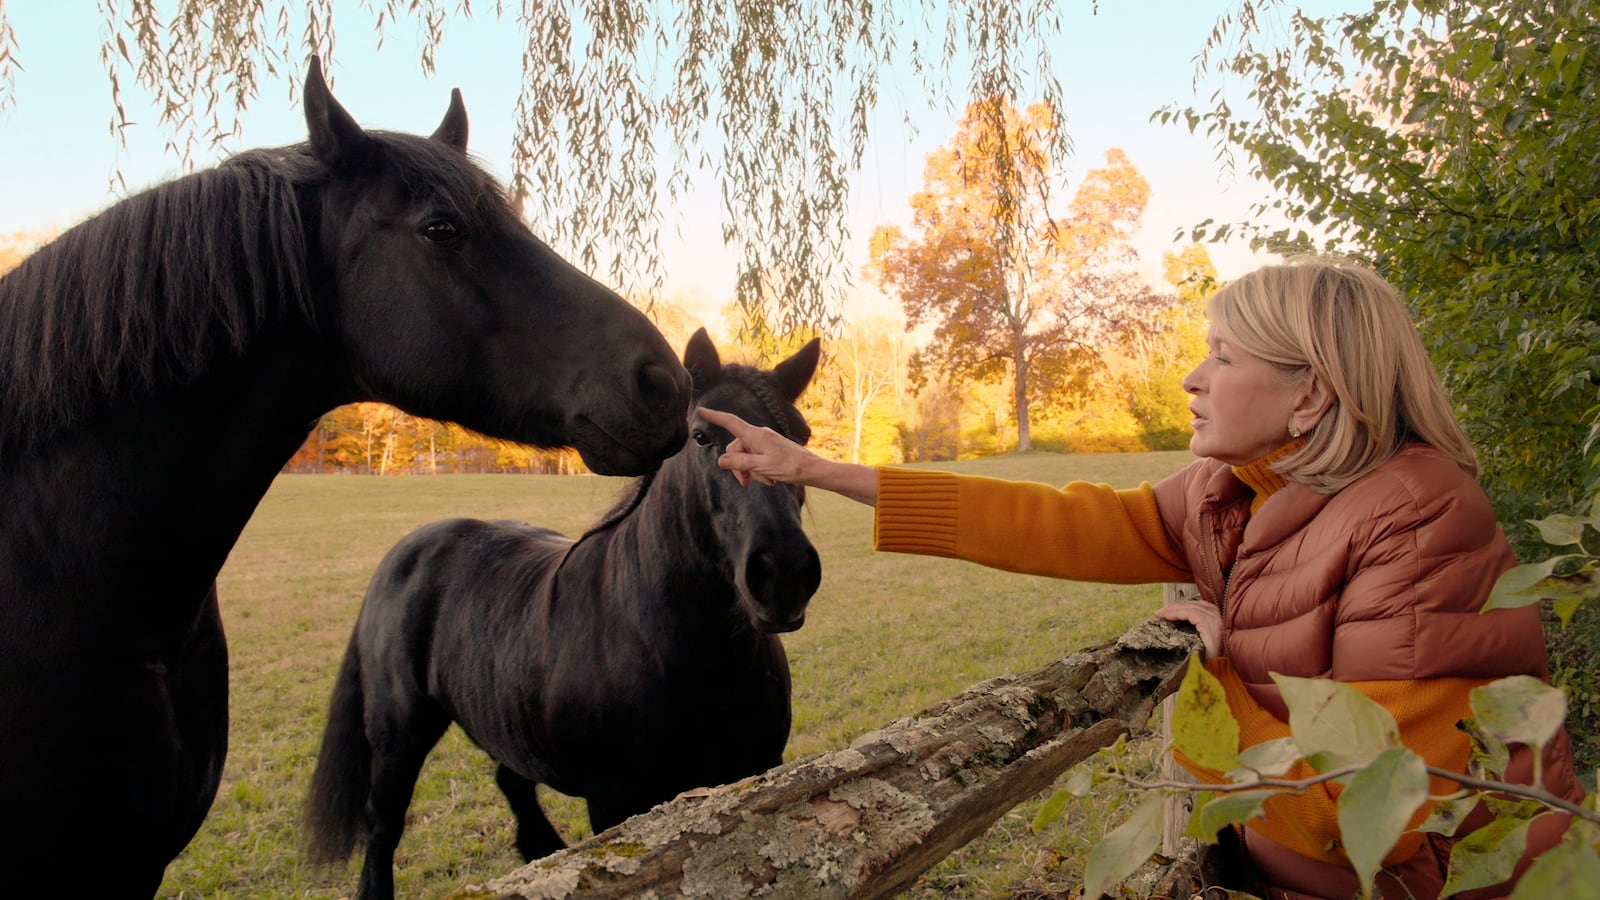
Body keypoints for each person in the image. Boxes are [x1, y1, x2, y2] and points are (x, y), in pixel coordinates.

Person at [697, 259, 1583, 900]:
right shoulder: (1232, 491)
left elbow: (1371, 823)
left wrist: (1215, 681)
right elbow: (1060, 522)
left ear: (1311, 396)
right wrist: (814, 470)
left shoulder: (1419, 523)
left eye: (1225, 358)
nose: (1192, 379)